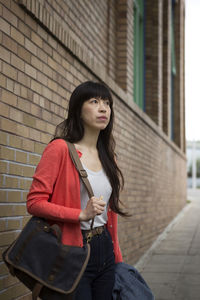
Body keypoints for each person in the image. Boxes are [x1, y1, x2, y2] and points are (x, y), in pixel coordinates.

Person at [27, 81, 128, 300]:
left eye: (107, 103)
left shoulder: (109, 158)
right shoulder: (60, 149)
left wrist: (117, 257)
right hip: (73, 250)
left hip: (105, 249)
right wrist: (80, 214)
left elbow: (108, 213)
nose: (103, 108)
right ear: (78, 111)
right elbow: (34, 202)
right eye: (94, 102)